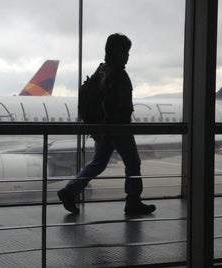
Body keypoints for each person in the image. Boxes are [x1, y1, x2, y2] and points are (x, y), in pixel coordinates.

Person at [57, 33, 155, 215]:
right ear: (117, 52)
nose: (128, 56)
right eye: (126, 52)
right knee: (133, 163)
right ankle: (133, 202)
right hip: (117, 129)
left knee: (98, 163)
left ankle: (70, 190)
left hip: (101, 128)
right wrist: (115, 128)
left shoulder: (101, 70)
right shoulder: (118, 75)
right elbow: (116, 106)